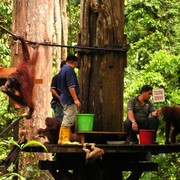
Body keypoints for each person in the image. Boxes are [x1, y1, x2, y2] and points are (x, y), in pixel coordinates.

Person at [58, 55, 81, 145]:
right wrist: (75, 99)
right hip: (68, 98)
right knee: (68, 117)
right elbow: (71, 87)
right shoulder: (69, 70)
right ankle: (64, 139)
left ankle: (62, 138)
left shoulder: (62, 70)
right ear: (74, 62)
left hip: (64, 96)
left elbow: (60, 87)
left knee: (69, 117)